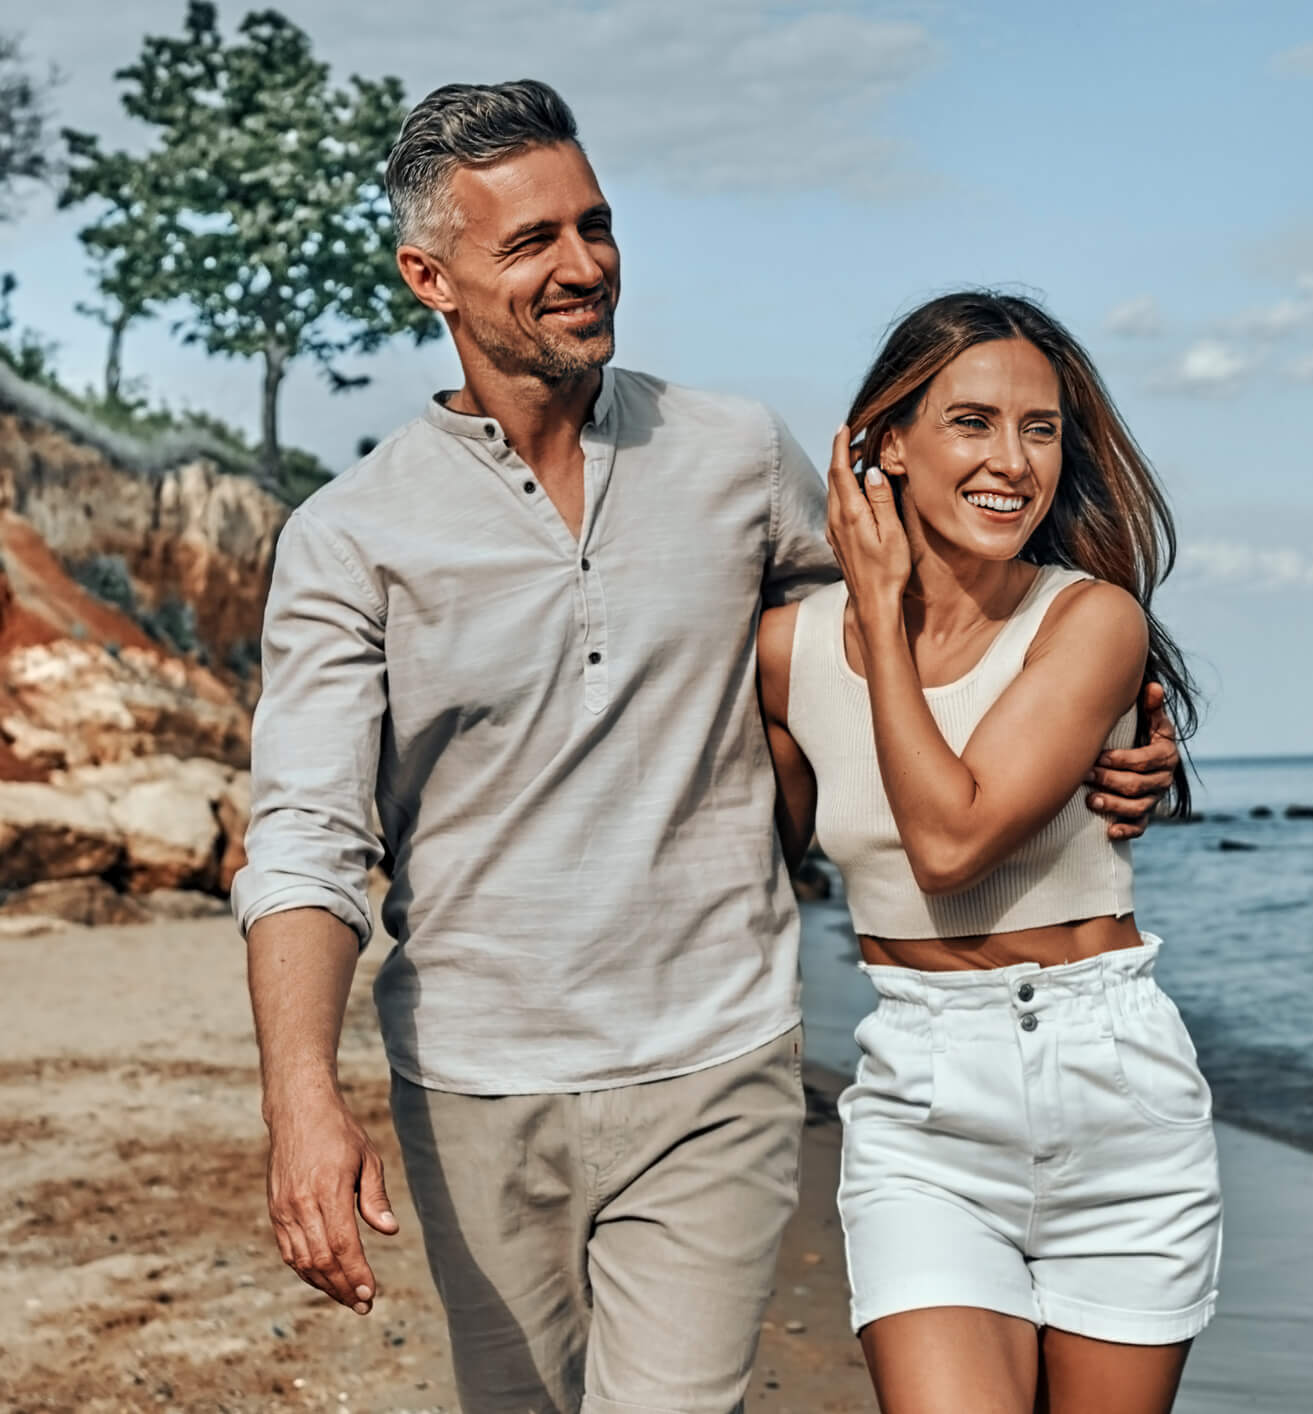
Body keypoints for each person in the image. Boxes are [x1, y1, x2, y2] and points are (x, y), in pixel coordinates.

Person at [231, 82, 1178, 1414]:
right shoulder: (349, 534)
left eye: (596, 225)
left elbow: (937, 609)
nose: (583, 266)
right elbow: (307, 844)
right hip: (477, 1080)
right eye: (533, 243)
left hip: (716, 1063)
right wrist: (302, 1103)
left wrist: (1123, 734)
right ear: (427, 275)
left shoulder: (732, 453)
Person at [757, 292, 1222, 1414]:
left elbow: (952, 838)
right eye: (971, 421)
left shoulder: (1092, 623)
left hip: (1112, 1090)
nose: (1012, 460)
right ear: (885, 443)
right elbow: (747, 858)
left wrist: (874, 603)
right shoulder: (785, 653)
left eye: (1041, 428)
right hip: (922, 1101)